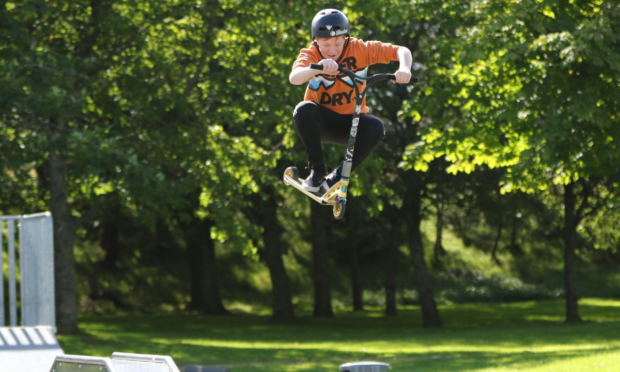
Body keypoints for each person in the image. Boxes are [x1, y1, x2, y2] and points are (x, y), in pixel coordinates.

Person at [290, 8, 412, 192]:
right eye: (326, 44)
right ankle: (317, 170)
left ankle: (335, 178)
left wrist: (405, 68)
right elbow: (295, 78)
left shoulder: (360, 49)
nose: (332, 50)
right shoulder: (312, 54)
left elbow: (401, 50)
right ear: (316, 40)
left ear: (346, 38)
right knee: (303, 109)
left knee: (376, 127)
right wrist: (318, 68)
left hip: (351, 125)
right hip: (321, 123)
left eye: (338, 44)